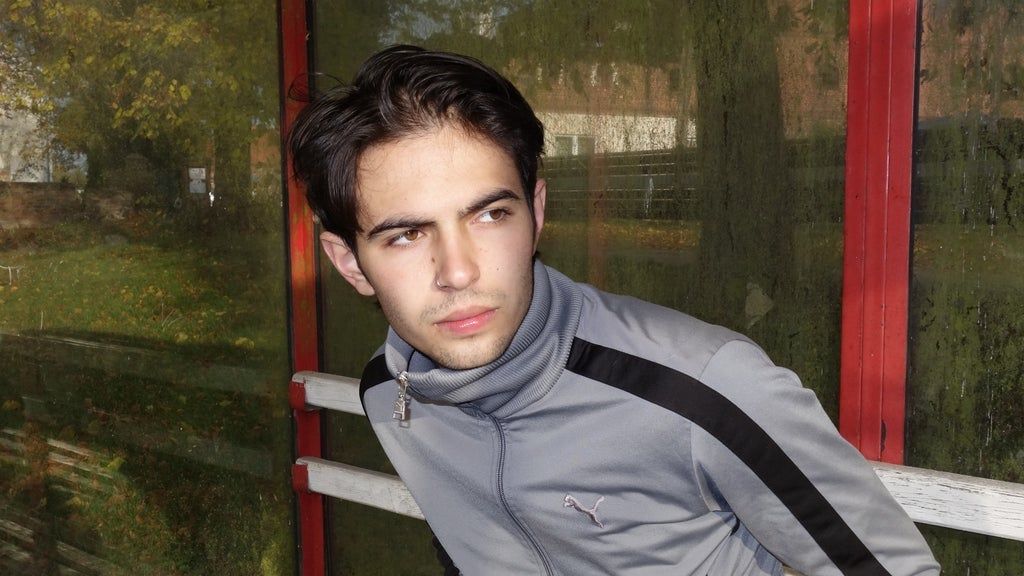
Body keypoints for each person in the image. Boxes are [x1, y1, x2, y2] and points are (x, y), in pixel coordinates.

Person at [288, 45, 939, 575]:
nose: (457, 271)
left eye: (490, 215)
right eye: (406, 235)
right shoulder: (389, 392)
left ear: (536, 213)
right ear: (350, 263)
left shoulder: (703, 387)